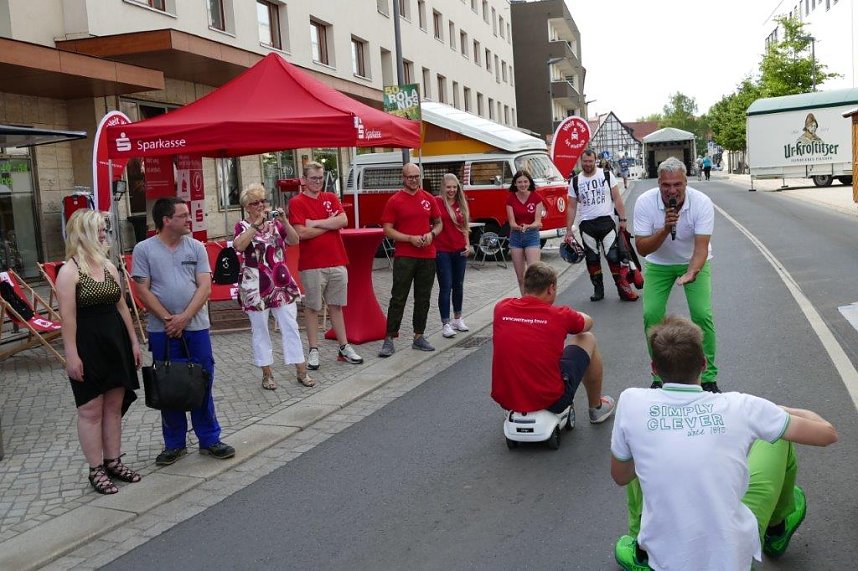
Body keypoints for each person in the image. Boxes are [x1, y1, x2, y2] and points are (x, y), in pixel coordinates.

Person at [610, 316, 838, 571]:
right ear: (704, 364)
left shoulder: (632, 402)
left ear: (654, 368)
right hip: (730, 558)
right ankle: (777, 530)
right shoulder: (741, 406)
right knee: (778, 439)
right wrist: (778, 411)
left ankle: (641, 553)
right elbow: (827, 433)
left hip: (664, 559)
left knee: (636, 452)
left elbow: (620, 476)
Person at [132, 197, 235, 466]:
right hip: (162, 329)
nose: (190, 219)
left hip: (196, 327)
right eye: (183, 215)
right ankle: (174, 444)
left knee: (203, 380)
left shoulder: (197, 247)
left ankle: (210, 438)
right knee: (168, 385)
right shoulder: (144, 250)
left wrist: (184, 318)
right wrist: (169, 319)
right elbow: (142, 289)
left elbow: (205, 287)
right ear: (167, 220)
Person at [57, 210, 142, 494]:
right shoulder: (68, 271)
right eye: (100, 229)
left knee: (114, 407)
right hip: (87, 345)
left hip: (115, 341)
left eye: (105, 229)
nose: (105, 233)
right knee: (90, 409)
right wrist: (71, 355)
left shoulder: (108, 266)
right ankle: (96, 469)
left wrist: (133, 342)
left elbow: (121, 307)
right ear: (83, 233)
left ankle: (113, 460)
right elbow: (67, 319)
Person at [633, 156, 720, 392]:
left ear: (686, 183)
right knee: (651, 315)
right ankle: (659, 375)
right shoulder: (645, 202)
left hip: (692, 261)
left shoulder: (701, 203)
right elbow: (642, 248)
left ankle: (709, 375)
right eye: (666, 185)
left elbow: (701, 247)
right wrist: (665, 229)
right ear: (658, 183)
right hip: (658, 263)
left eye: (677, 184)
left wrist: (692, 271)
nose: (672, 190)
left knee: (702, 315)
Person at [491, 262, 615, 424]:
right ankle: (596, 407)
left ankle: (517, 402)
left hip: (506, 399)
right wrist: (571, 315)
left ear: (526, 286)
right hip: (551, 400)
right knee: (587, 338)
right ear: (550, 289)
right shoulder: (559, 315)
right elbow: (587, 323)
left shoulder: (501, 308)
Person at [234, 183, 311, 390]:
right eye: (255, 203)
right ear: (247, 207)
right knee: (260, 330)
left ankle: (301, 370)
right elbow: (239, 246)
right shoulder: (242, 226)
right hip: (254, 284)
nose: (260, 205)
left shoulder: (275, 224)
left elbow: (294, 241)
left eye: (263, 201)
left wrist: (285, 221)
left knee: (290, 325)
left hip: (280, 281)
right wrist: (255, 226)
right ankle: (267, 374)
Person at [288, 162, 363, 371]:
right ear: (304, 179)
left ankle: (344, 346)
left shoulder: (330, 197)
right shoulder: (296, 202)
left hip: (337, 259)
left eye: (320, 178)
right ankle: (313, 349)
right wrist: (329, 224)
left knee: (336, 306)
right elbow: (300, 233)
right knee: (312, 308)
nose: (317, 182)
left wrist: (315, 223)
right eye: (313, 178)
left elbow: (344, 220)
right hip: (312, 264)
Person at [378, 163, 443, 357]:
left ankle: (419, 336)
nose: (414, 180)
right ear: (403, 178)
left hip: (427, 255)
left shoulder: (429, 198)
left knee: (423, 297)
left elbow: (439, 223)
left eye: (417, 176)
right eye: (410, 177)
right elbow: (387, 229)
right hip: (405, 256)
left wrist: (432, 234)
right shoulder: (395, 201)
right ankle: (389, 338)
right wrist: (409, 238)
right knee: (398, 297)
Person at [566, 149, 638, 302]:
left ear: (595, 161)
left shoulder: (606, 175)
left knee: (613, 256)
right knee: (592, 258)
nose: (587, 164)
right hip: (586, 224)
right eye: (585, 161)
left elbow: (617, 198)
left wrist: (623, 219)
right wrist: (568, 231)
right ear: (581, 161)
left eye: (590, 161)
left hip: (606, 221)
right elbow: (571, 207)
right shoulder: (575, 181)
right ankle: (598, 289)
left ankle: (622, 288)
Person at [435, 173, 471, 338]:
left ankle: (458, 318)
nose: (451, 190)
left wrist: (468, 244)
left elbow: (465, 227)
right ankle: (445, 323)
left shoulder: (461, 203)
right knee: (445, 286)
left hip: (460, 250)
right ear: (443, 187)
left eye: (454, 187)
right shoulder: (436, 202)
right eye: (448, 187)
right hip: (442, 250)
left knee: (458, 285)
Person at [506, 170, 545, 295]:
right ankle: (524, 300)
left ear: (529, 182)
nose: (523, 184)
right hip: (516, 236)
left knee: (533, 273)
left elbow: (538, 222)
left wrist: (528, 226)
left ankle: (535, 300)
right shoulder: (510, 199)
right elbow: (511, 223)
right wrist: (518, 227)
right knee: (520, 276)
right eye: (519, 182)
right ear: (515, 184)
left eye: (525, 181)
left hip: (532, 235)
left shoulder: (536, 198)